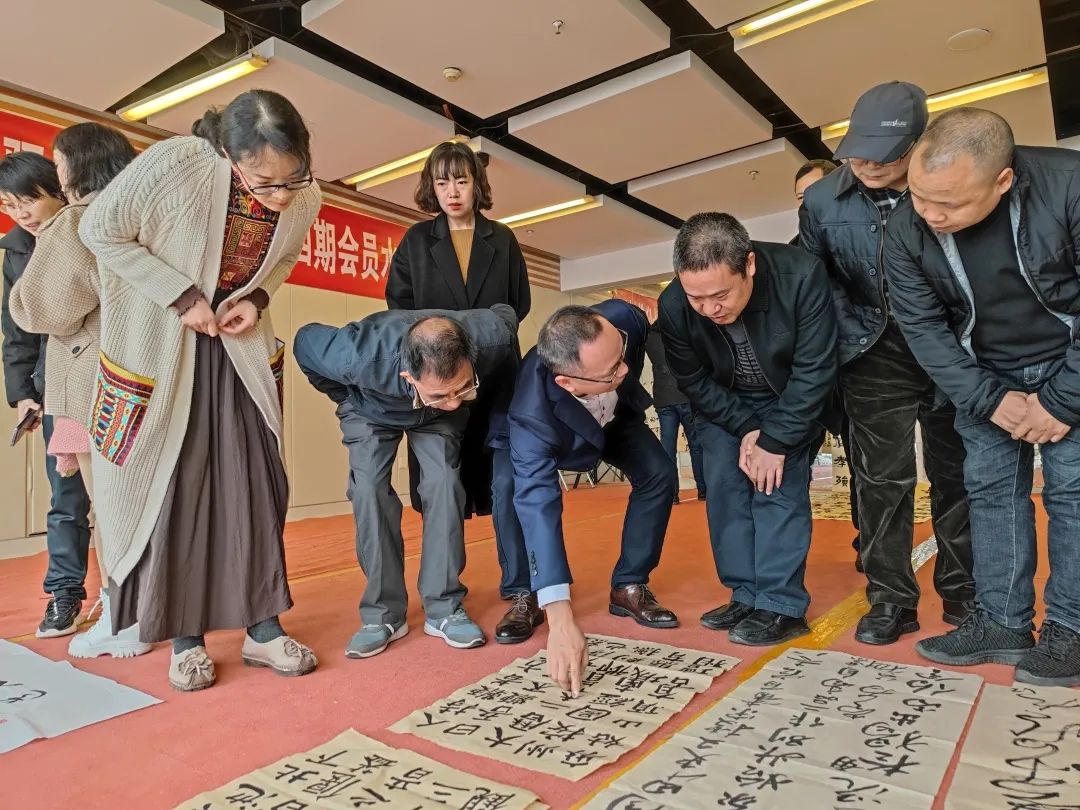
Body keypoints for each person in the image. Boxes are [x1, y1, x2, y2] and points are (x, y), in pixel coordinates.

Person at [79, 90, 320, 692]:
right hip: (164, 356)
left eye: (294, 177)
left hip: (238, 354)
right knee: (177, 489)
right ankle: (185, 641)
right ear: (226, 152)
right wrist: (181, 295)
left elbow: (285, 257)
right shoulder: (176, 162)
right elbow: (100, 230)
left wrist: (257, 298)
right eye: (265, 181)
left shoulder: (304, 194)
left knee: (255, 487)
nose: (283, 195)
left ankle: (263, 630)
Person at [885, 108, 1080, 687]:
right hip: (983, 372)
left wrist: (1062, 402)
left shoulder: (1069, 185)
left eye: (949, 203)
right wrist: (988, 399)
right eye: (920, 196)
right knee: (992, 495)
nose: (930, 214)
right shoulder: (907, 225)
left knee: (1072, 494)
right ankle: (1001, 621)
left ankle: (1071, 629)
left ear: (1002, 179)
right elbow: (922, 328)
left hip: (1068, 363)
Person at [799, 81, 975, 646]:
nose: (870, 163)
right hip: (872, 356)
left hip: (950, 351)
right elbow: (813, 281)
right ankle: (891, 599)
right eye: (860, 148)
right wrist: (846, 341)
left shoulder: (948, 185)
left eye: (887, 153)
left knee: (958, 478)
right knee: (882, 484)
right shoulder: (824, 200)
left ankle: (963, 591)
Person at [293, 305, 520, 658]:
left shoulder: (492, 338)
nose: (452, 403)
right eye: (441, 393)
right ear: (408, 376)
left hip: (431, 420)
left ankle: (443, 606)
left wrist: (452, 396)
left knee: (445, 484)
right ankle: (382, 615)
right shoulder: (357, 356)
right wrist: (348, 399)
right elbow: (304, 340)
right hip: (369, 408)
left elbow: (506, 311)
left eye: (462, 388)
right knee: (367, 490)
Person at [659, 213, 837, 646]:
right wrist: (746, 428)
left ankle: (782, 604)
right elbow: (693, 380)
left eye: (720, 295)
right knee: (723, 485)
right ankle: (746, 592)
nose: (708, 309)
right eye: (696, 298)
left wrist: (773, 439)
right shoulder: (674, 304)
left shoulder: (800, 275)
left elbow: (815, 369)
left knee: (775, 485)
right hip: (726, 404)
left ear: (750, 265)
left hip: (790, 396)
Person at [384, 141, 535, 643]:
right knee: (441, 484)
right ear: (432, 185)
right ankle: (446, 593)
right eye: (443, 181)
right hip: (438, 378)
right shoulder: (414, 241)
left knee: (509, 479)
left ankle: (520, 588)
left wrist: (482, 344)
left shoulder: (504, 239)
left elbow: (518, 305)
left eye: (462, 180)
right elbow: (399, 309)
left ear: (478, 184)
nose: (453, 192)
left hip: (497, 379)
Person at [9, 122, 148, 658]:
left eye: (59, 164)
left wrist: (31, 280)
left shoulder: (76, 224)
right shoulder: (142, 214)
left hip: (89, 385)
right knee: (141, 502)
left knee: (105, 505)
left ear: (75, 169)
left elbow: (40, 310)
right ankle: (143, 607)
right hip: (142, 378)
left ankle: (122, 617)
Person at [490, 299, 679, 695]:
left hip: (614, 417)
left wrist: (613, 380)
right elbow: (539, 505)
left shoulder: (625, 321)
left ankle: (628, 585)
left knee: (659, 472)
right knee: (511, 492)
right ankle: (528, 593)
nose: (626, 370)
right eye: (613, 369)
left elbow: (626, 362)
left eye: (622, 357)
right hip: (558, 428)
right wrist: (561, 619)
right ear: (568, 381)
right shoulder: (532, 415)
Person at [0, 151, 92, 639]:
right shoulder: (18, 249)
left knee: (131, 494)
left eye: (29, 200)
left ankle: (137, 592)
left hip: (113, 383)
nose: (22, 215)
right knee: (68, 495)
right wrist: (23, 394)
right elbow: (16, 331)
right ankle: (65, 592)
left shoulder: (92, 229)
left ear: (56, 189)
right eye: (10, 206)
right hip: (61, 391)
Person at [792, 158, 862, 570]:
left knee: (864, 465)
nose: (808, 206)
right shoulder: (790, 258)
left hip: (859, 374)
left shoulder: (864, 245)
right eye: (801, 199)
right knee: (794, 464)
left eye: (816, 194)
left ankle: (868, 540)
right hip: (810, 381)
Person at [645, 326, 706, 503]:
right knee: (696, 445)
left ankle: (671, 495)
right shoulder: (682, 330)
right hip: (686, 395)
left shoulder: (648, 337)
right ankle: (703, 490)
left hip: (663, 398)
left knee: (667, 448)